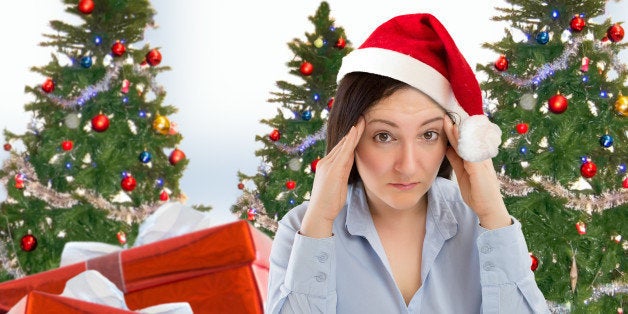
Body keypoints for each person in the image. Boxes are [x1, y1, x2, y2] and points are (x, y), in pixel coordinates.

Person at [266, 13, 550, 313]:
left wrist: (494, 214)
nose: (408, 166)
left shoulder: (482, 225)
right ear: (349, 138)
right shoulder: (302, 229)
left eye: (428, 134)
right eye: (384, 136)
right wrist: (319, 224)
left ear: (453, 140)